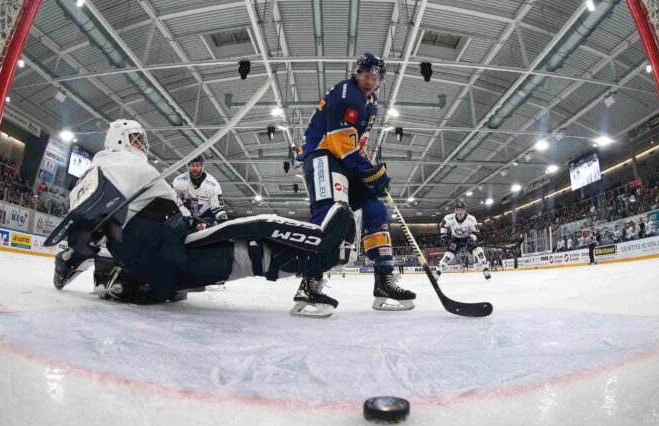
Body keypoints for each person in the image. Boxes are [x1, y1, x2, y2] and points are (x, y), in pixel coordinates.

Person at [50, 119, 356, 318]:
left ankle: (315, 264)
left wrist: (68, 260)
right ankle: (324, 241)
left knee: (249, 255)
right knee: (260, 226)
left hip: (161, 272)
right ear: (118, 139)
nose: (141, 145)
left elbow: (85, 232)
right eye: (135, 138)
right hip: (172, 248)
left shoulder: (92, 175)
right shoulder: (124, 163)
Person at [297, 53, 416, 312]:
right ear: (357, 73)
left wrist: (370, 174)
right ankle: (309, 282)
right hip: (322, 155)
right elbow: (339, 141)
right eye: (366, 76)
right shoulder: (347, 94)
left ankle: (384, 279)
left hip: (344, 160)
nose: (370, 81)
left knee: (376, 209)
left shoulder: (370, 102)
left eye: (374, 78)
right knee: (329, 213)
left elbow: (354, 145)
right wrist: (369, 171)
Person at [434, 200, 491, 280]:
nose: (460, 211)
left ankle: (485, 268)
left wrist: (472, 238)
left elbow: (476, 232)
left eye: (462, 209)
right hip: (455, 239)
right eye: (458, 209)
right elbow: (443, 227)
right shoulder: (449, 218)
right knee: (448, 255)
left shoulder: (471, 219)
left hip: (467, 238)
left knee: (478, 251)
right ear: (455, 210)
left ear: (465, 210)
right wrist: (443, 236)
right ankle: (438, 271)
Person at [172, 155, 227, 227]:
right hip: (184, 215)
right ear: (188, 166)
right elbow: (171, 196)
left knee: (204, 230)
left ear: (202, 166)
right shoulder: (179, 181)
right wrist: (182, 207)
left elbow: (217, 207)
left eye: (197, 165)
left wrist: (223, 221)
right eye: (192, 165)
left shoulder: (213, 185)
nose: (194, 168)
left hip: (205, 215)